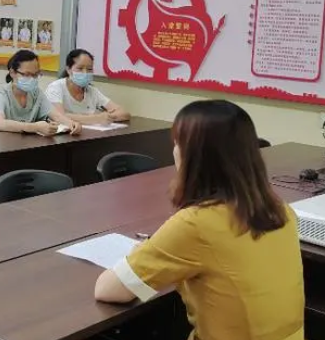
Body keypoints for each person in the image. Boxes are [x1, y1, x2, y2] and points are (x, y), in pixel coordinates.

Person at [94, 100, 303, 340]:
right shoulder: (281, 210)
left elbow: (108, 290)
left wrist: (143, 251)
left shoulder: (197, 224)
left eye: (177, 143)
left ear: (193, 156)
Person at [0, 50, 81, 135]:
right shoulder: (0, 94)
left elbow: (56, 116)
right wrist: (35, 127)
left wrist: (72, 124)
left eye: (35, 74)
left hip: (21, 143)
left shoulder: (36, 93)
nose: (32, 79)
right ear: (12, 73)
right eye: (27, 74)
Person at [45, 49, 130, 124]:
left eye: (89, 69)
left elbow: (124, 113)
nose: (85, 73)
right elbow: (58, 116)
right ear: (68, 69)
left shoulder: (92, 91)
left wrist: (108, 117)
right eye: (80, 68)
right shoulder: (55, 87)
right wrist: (96, 118)